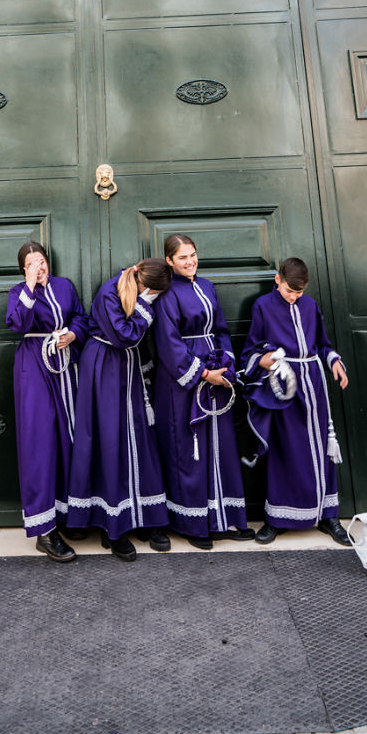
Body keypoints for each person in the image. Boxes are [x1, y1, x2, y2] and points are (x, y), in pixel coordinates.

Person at [238, 256, 350, 546]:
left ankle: (328, 516)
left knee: (321, 448)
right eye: (289, 290)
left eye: (298, 292)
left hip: (314, 384)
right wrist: (266, 361)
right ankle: (277, 519)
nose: (294, 296)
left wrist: (334, 361)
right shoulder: (263, 306)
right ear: (278, 279)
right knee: (285, 449)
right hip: (284, 385)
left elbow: (322, 344)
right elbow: (251, 350)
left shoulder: (311, 306)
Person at [152, 233, 254, 549]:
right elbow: (168, 345)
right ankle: (194, 525)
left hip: (216, 373)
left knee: (220, 447)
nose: (190, 261)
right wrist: (203, 374)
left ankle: (225, 518)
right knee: (190, 450)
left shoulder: (208, 286)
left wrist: (226, 365)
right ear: (169, 260)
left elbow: (220, 328)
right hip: (183, 383)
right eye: (183, 257)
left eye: (193, 254)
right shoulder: (166, 293)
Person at [67, 258, 173, 561]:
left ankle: (144, 514)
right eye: (152, 292)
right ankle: (113, 526)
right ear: (146, 284)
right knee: (110, 440)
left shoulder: (133, 290)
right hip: (103, 367)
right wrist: (144, 306)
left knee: (139, 438)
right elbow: (125, 335)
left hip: (129, 368)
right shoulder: (109, 293)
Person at [5, 240, 89, 562]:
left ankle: (68, 514)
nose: (39, 266)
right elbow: (18, 323)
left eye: (41, 260)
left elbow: (81, 317)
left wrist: (73, 334)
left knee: (67, 438)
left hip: (65, 367)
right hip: (33, 369)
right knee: (39, 442)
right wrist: (29, 286)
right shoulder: (18, 293)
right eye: (31, 263)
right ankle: (44, 531)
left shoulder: (64, 286)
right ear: (23, 269)